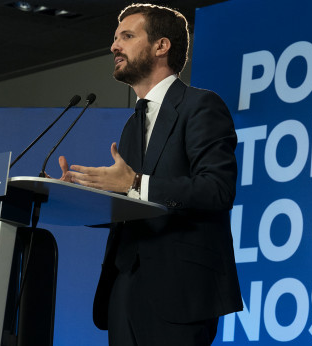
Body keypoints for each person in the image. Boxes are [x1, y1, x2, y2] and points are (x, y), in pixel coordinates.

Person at [57, 3, 242, 345]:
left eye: (127, 36)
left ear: (161, 46)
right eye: (115, 39)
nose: (114, 47)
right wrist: (84, 195)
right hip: (124, 287)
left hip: (181, 290)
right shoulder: (132, 125)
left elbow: (217, 190)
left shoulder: (201, 106)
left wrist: (135, 183)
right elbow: (132, 202)